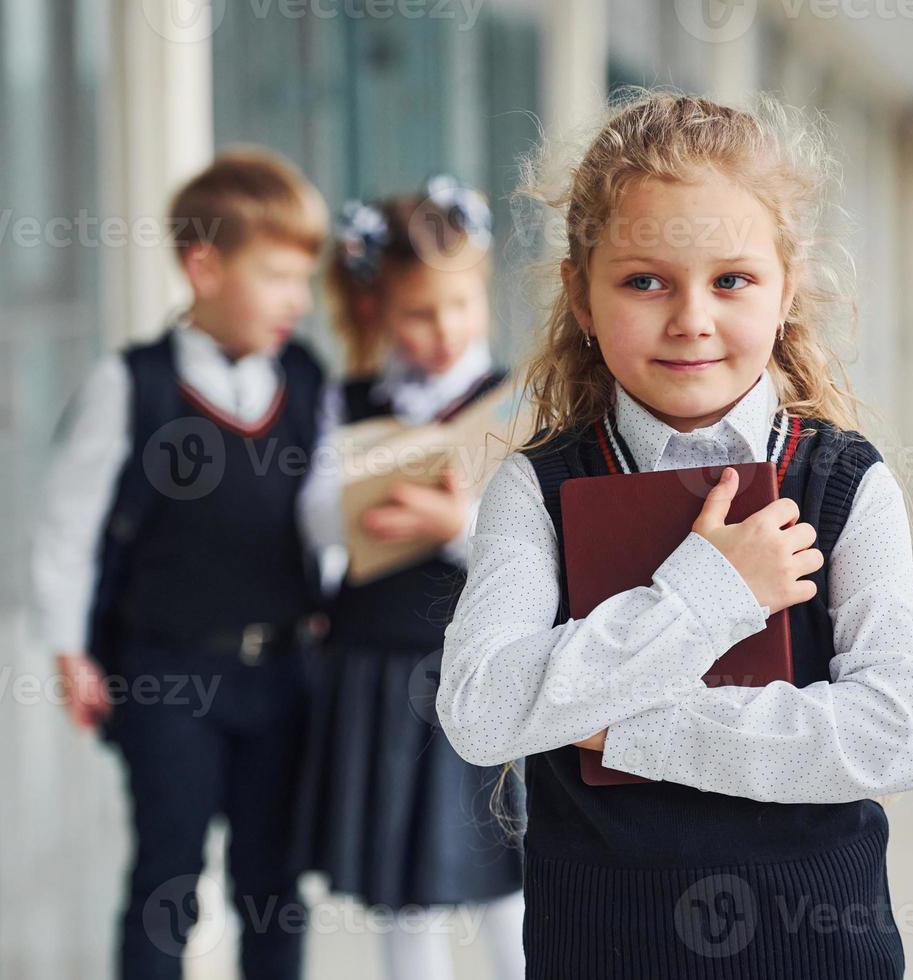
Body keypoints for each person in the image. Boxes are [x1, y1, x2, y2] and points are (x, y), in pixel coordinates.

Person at [437, 90, 913, 978]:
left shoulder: (844, 482)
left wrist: (628, 729)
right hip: (602, 951)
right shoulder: (536, 489)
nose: (692, 318)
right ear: (581, 297)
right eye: (645, 280)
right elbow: (482, 708)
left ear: (787, 288)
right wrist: (709, 596)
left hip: (818, 952)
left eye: (732, 280)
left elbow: (896, 732)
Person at [33, 148, 329, 979]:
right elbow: (69, 527)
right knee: (168, 875)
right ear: (203, 265)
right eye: (276, 276)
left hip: (281, 676)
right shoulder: (133, 383)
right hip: (164, 674)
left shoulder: (306, 380)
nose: (296, 302)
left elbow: (327, 518)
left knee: (273, 882)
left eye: (303, 279)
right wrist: (68, 650)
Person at [292, 177, 526, 980]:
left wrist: (453, 525)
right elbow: (317, 520)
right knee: (407, 895)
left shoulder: (516, 404)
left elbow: (537, 549)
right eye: (420, 313)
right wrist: (367, 501)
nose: (444, 331)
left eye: (460, 308)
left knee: (509, 883)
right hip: (382, 668)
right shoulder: (347, 401)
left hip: (484, 668)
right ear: (377, 311)